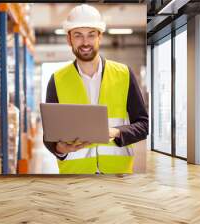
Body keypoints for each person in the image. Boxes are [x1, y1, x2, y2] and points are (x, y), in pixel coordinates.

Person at [43, 4, 148, 174]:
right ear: (69, 39)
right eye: (78, 35)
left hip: (117, 175)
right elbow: (49, 135)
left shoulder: (124, 74)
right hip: (74, 175)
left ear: (100, 36)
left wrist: (115, 132)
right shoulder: (57, 80)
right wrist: (60, 148)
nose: (85, 42)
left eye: (91, 35)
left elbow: (143, 125)